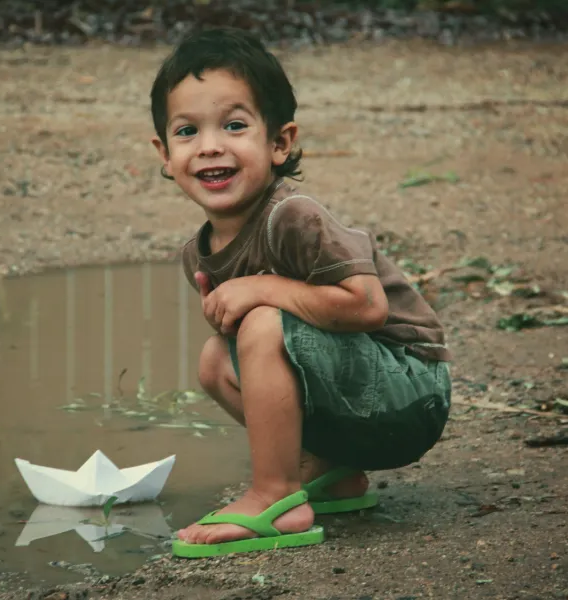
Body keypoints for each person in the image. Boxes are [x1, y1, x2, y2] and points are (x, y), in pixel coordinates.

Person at [149, 27, 453, 559]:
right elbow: (266, 354)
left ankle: (276, 496)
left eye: (235, 125)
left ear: (280, 142)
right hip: (356, 405)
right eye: (187, 131)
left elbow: (367, 305)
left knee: (265, 321)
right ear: (164, 154)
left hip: (412, 389)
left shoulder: (293, 216)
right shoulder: (196, 254)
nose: (211, 145)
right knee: (215, 359)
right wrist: (230, 309)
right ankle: (331, 472)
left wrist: (262, 288)